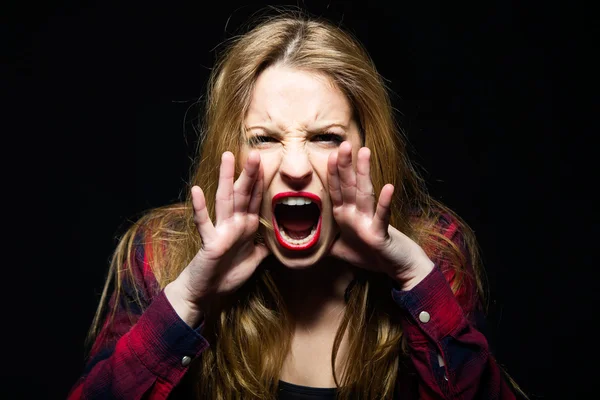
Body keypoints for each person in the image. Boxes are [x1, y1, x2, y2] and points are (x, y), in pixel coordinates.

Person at [69, 11, 522, 400]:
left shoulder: (436, 255)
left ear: (369, 147)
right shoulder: (160, 255)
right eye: (264, 139)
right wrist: (189, 297)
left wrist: (414, 279)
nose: (297, 167)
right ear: (229, 146)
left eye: (325, 137)